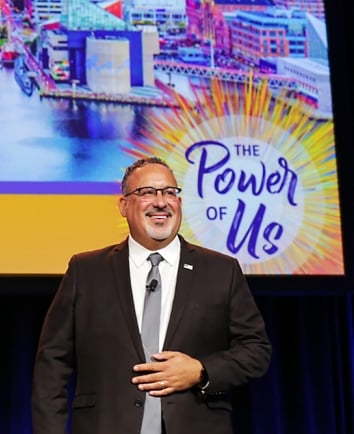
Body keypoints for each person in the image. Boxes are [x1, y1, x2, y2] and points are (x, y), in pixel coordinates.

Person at [31, 157, 271, 434]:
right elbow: (52, 363)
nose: (161, 202)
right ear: (124, 205)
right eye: (147, 193)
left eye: (170, 192)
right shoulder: (86, 271)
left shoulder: (221, 270)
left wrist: (202, 370)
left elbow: (256, 350)